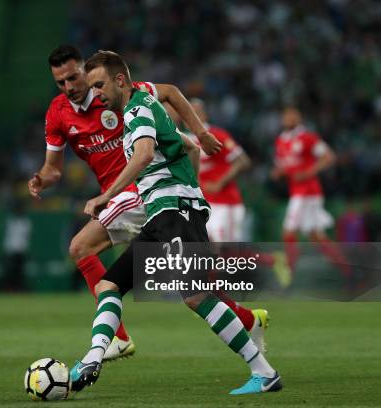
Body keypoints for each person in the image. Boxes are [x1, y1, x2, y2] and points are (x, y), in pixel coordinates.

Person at [70, 51, 282, 395]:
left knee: (196, 296)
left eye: (100, 84)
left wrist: (105, 195)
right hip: (160, 215)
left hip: (174, 211)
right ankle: (93, 357)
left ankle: (264, 371)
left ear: (120, 80)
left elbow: (141, 156)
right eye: (91, 87)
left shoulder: (138, 109)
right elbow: (187, 144)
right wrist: (195, 146)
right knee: (109, 286)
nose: (96, 93)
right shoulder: (143, 110)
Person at [27, 45, 222, 361]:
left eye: (74, 77)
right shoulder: (57, 113)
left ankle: (116, 338)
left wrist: (199, 131)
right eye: (60, 82)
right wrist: (42, 179)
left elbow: (170, 93)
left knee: (82, 248)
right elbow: (53, 169)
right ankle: (244, 318)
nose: (69, 87)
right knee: (184, 277)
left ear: (85, 70)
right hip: (127, 195)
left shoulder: (118, 93)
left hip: (135, 189)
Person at [188, 98, 270, 352]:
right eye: (191, 110)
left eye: (198, 110)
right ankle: (220, 301)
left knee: (219, 251)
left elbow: (243, 161)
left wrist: (221, 181)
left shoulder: (216, 134)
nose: (194, 114)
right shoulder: (184, 139)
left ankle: (269, 263)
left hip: (227, 203)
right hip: (206, 205)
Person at [271, 107, 351, 286]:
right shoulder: (281, 141)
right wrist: (279, 172)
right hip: (298, 191)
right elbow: (284, 165)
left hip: (308, 192)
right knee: (317, 237)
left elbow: (329, 156)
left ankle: (288, 277)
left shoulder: (308, 137)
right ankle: (349, 274)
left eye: (293, 115)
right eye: (286, 115)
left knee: (289, 230)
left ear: (299, 118)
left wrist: (309, 171)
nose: (289, 118)